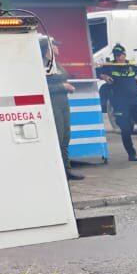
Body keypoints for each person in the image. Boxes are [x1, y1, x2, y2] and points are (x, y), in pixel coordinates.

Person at [98, 44, 137, 161]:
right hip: (120, 104)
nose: (118, 58)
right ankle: (131, 154)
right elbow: (96, 70)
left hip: (135, 102)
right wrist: (103, 76)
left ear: (124, 54)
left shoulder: (131, 65)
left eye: (119, 55)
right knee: (126, 130)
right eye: (116, 55)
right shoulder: (109, 66)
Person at [41, 37, 82, 181]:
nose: (57, 48)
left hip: (64, 103)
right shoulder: (43, 65)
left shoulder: (56, 64)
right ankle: (57, 171)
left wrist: (67, 86)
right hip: (53, 104)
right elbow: (43, 87)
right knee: (58, 138)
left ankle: (67, 170)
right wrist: (62, 87)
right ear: (47, 49)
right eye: (54, 45)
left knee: (65, 136)